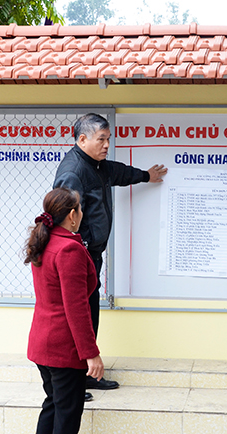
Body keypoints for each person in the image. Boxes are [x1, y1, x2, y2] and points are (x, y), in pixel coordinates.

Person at [54, 113, 168, 392]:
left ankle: (85, 374)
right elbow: (64, 218)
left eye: (108, 139)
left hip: (91, 257)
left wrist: (146, 176)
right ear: (82, 139)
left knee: (89, 314)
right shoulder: (73, 172)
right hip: (79, 257)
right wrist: (77, 251)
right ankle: (73, 383)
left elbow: (118, 173)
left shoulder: (97, 165)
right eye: (101, 139)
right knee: (78, 317)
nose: (107, 145)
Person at [24, 187, 104, 434]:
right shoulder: (69, 249)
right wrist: (91, 354)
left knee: (53, 405)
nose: (82, 213)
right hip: (62, 347)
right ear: (72, 215)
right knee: (67, 413)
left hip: (42, 343)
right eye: (80, 209)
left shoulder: (45, 242)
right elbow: (76, 307)